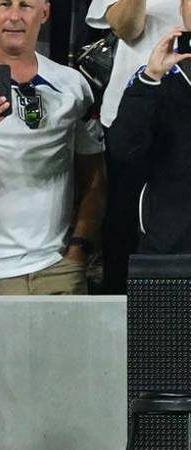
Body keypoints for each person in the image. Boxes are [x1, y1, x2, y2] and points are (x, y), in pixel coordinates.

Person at [0, 0, 106, 294]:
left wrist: (79, 250)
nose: (14, 16)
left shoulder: (72, 85)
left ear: (44, 12)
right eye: (4, 4)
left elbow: (95, 179)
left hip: (58, 268)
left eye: (25, 5)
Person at [86, 0, 185, 292]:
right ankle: (133, 312)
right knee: (128, 231)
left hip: (184, 110)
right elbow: (127, 27)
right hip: (139, 108)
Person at [109, 4, 191, 255]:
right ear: (182, 9)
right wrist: (150, 77)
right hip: (171, 247)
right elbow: (123, 149)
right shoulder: (159, 80)